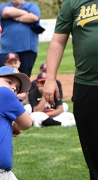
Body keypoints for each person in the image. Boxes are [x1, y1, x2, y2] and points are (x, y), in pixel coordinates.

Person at [42, 1, 98, 179]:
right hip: (87, 84)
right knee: (93, 149)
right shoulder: (73, 2)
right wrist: (50, 79)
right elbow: (58, 41)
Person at [0, 0, 41, 77]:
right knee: (3, 77)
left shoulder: (31, 5)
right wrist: (26, 13)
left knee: (24, 77)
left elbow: (34, 17)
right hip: (7, 49)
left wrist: (17, 18)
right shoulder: (4, 6)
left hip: (27, 48)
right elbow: (7, 12)